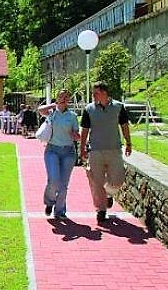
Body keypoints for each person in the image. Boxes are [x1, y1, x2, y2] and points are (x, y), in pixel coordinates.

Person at [80, 81, 132, 225]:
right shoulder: (89, 109)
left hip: (114, 150)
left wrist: (128, 143)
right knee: (96, 182)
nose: (93, 95)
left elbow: (124, 126)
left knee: (118, 181)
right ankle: (101, 210)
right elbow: (84, 130)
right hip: (95, 150)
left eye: (95, 93)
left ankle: (108, 193)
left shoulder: (119, 107)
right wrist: (82, 148)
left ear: (104, 93)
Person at [38, 90, 80, 220]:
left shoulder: (72, 116)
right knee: (53, 180)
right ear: (57, 98)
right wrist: (53, 105)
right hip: (52, 150)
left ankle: (60, 210)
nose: (63, 99)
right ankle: (50, 201)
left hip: (68, 152)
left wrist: (75, 135)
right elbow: (40, 110)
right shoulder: (52, 113)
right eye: (61, 96)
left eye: (66, 97)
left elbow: (77, 135)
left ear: (69, 100)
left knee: (63, 184)